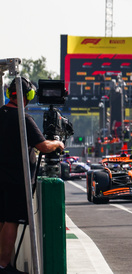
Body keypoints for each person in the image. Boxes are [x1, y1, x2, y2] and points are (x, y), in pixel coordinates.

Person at [0, 77, 65, 274]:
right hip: (16, 180)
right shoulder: (23, 118)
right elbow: (44, 146)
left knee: (2, 220)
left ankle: (3, 264)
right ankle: (3, 265)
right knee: (11, 220)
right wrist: (58, 143)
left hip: (1, 178)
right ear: (28, 96)